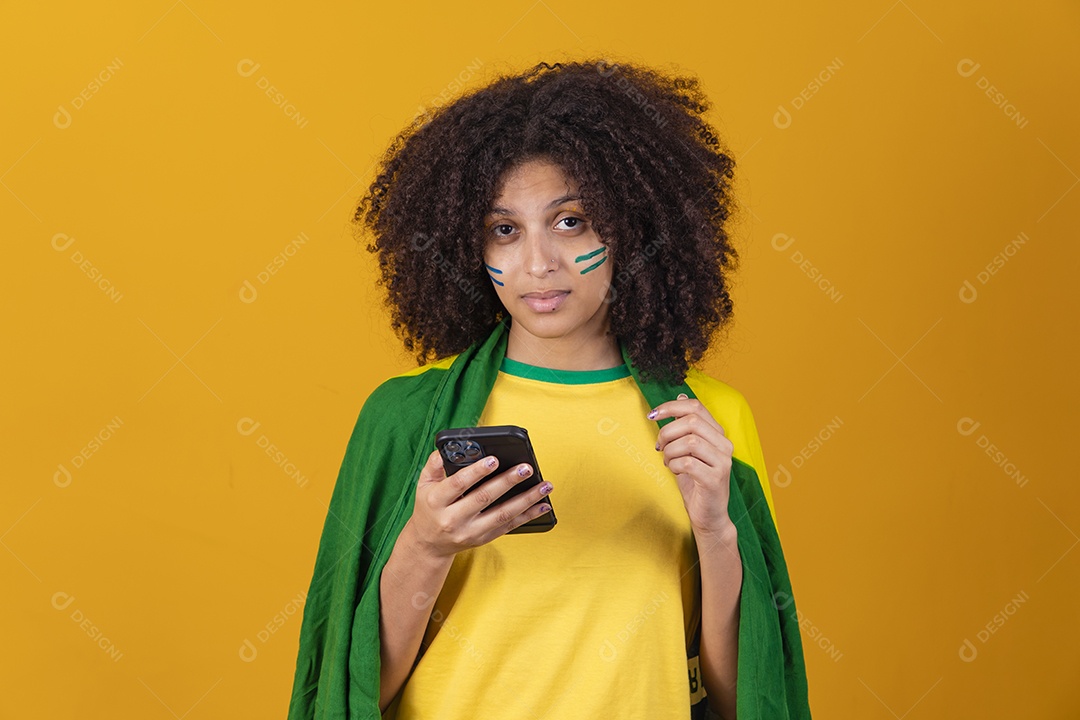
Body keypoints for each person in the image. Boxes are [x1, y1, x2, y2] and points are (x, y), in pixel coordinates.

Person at [288, 59, 811, 720]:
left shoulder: (708, 419)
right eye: (504, 231)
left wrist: (716, 527)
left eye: (570, 222)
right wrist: (426, 544)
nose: (538, 264)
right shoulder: (405, 418)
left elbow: (745, 700)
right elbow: (353, 687)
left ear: (634, 227)